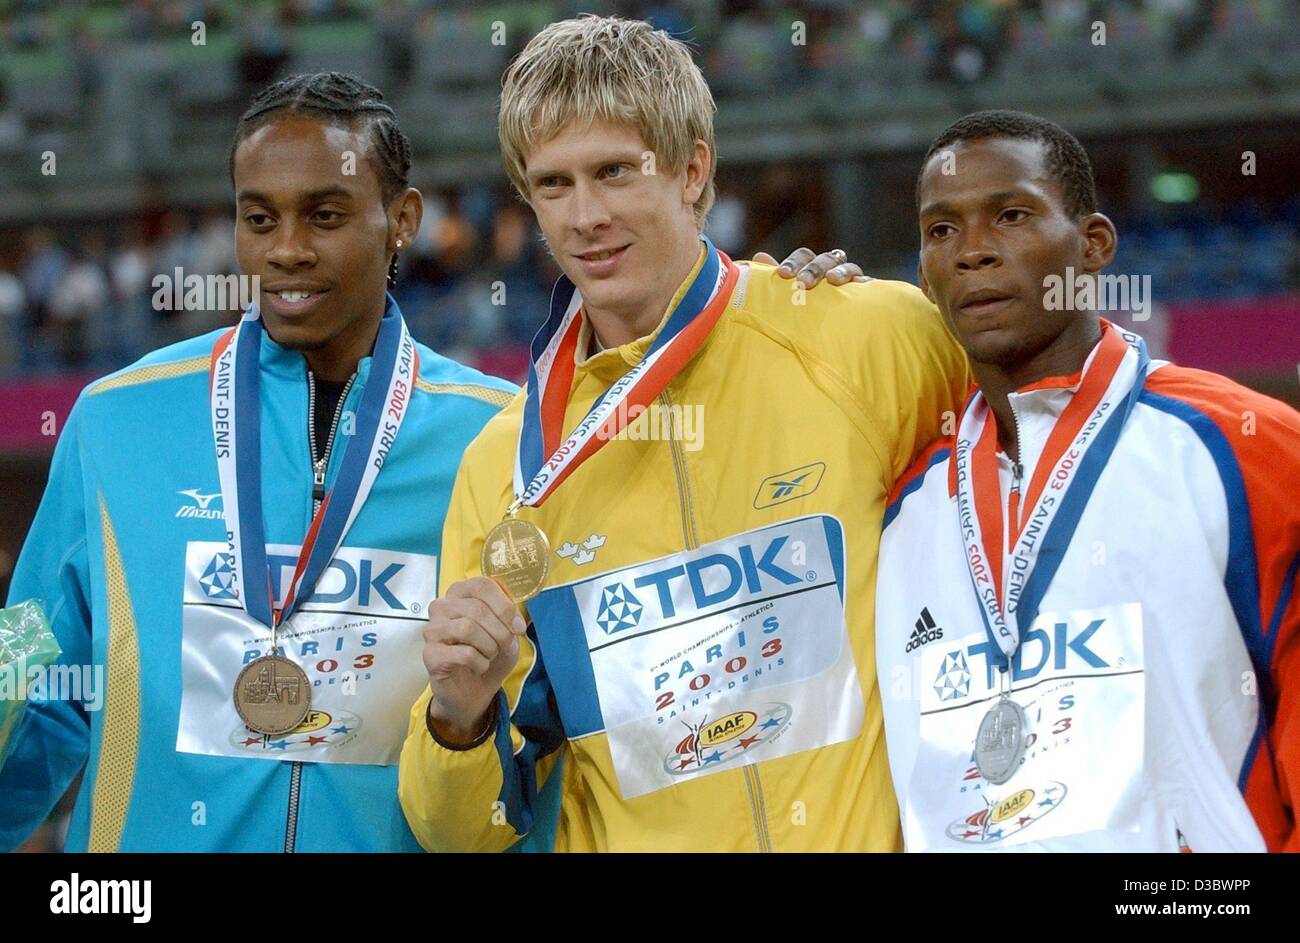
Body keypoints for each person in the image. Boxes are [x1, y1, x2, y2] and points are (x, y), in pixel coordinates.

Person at [0, 70, 856, 854]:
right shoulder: (117, 421)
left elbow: (546, 742)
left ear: (402, 219)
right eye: (258, 218)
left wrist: (762, 311)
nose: (286, 250)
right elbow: (29, 679)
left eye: (326, 215)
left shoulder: (507, 446)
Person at [397, 16, 971, 852]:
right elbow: (463, 836)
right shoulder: (505, 470)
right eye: (554, 185)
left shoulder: (867, 338)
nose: (586, 215)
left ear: (693, 168)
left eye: (615, 171)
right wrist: (458, 716)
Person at [876, 110, 1299, 851]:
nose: (973, 251)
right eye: (941, 230)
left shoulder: (1239, 446)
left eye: (1011, 215)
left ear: (1093, 245)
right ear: (922, 274)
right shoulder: (905, 509)